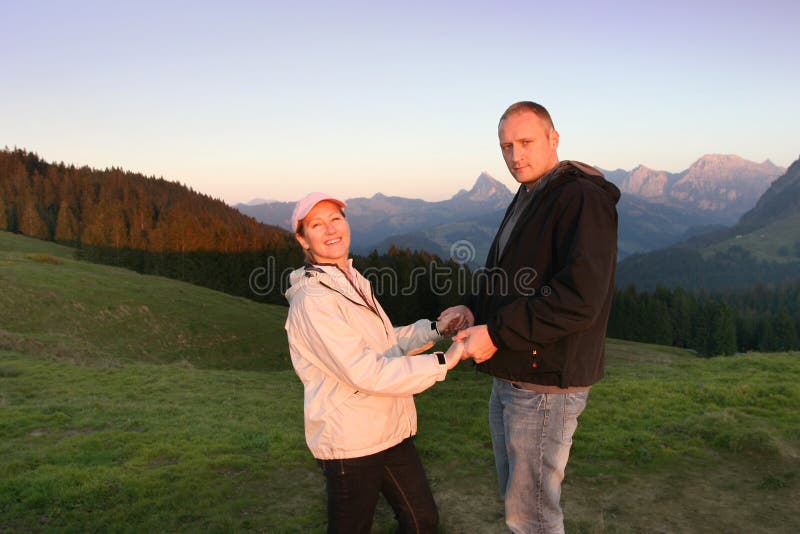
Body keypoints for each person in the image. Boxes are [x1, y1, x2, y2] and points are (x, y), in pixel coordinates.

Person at [442, 101, 620, 533]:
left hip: (545, 386)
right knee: (519, 505)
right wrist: (472, 308)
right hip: (514, 374)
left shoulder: (580, 198)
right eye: (506, 146)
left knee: (532, 517)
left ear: (553, 139)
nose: (515, 156)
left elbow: (579, 298)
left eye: (526, 142)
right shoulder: (530, 194)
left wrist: (498, 332)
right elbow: (510, 276)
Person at [284, 191, 467, 534]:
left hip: (388, 431)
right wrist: (444, 361)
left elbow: (385, 344)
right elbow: (365, 370)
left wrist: (436, 329)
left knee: (421, 520)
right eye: (316, 224)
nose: (331, 230)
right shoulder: (313, 301)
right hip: (351, 442)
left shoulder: (351, 281)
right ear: (302, 238)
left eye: (336, 219)